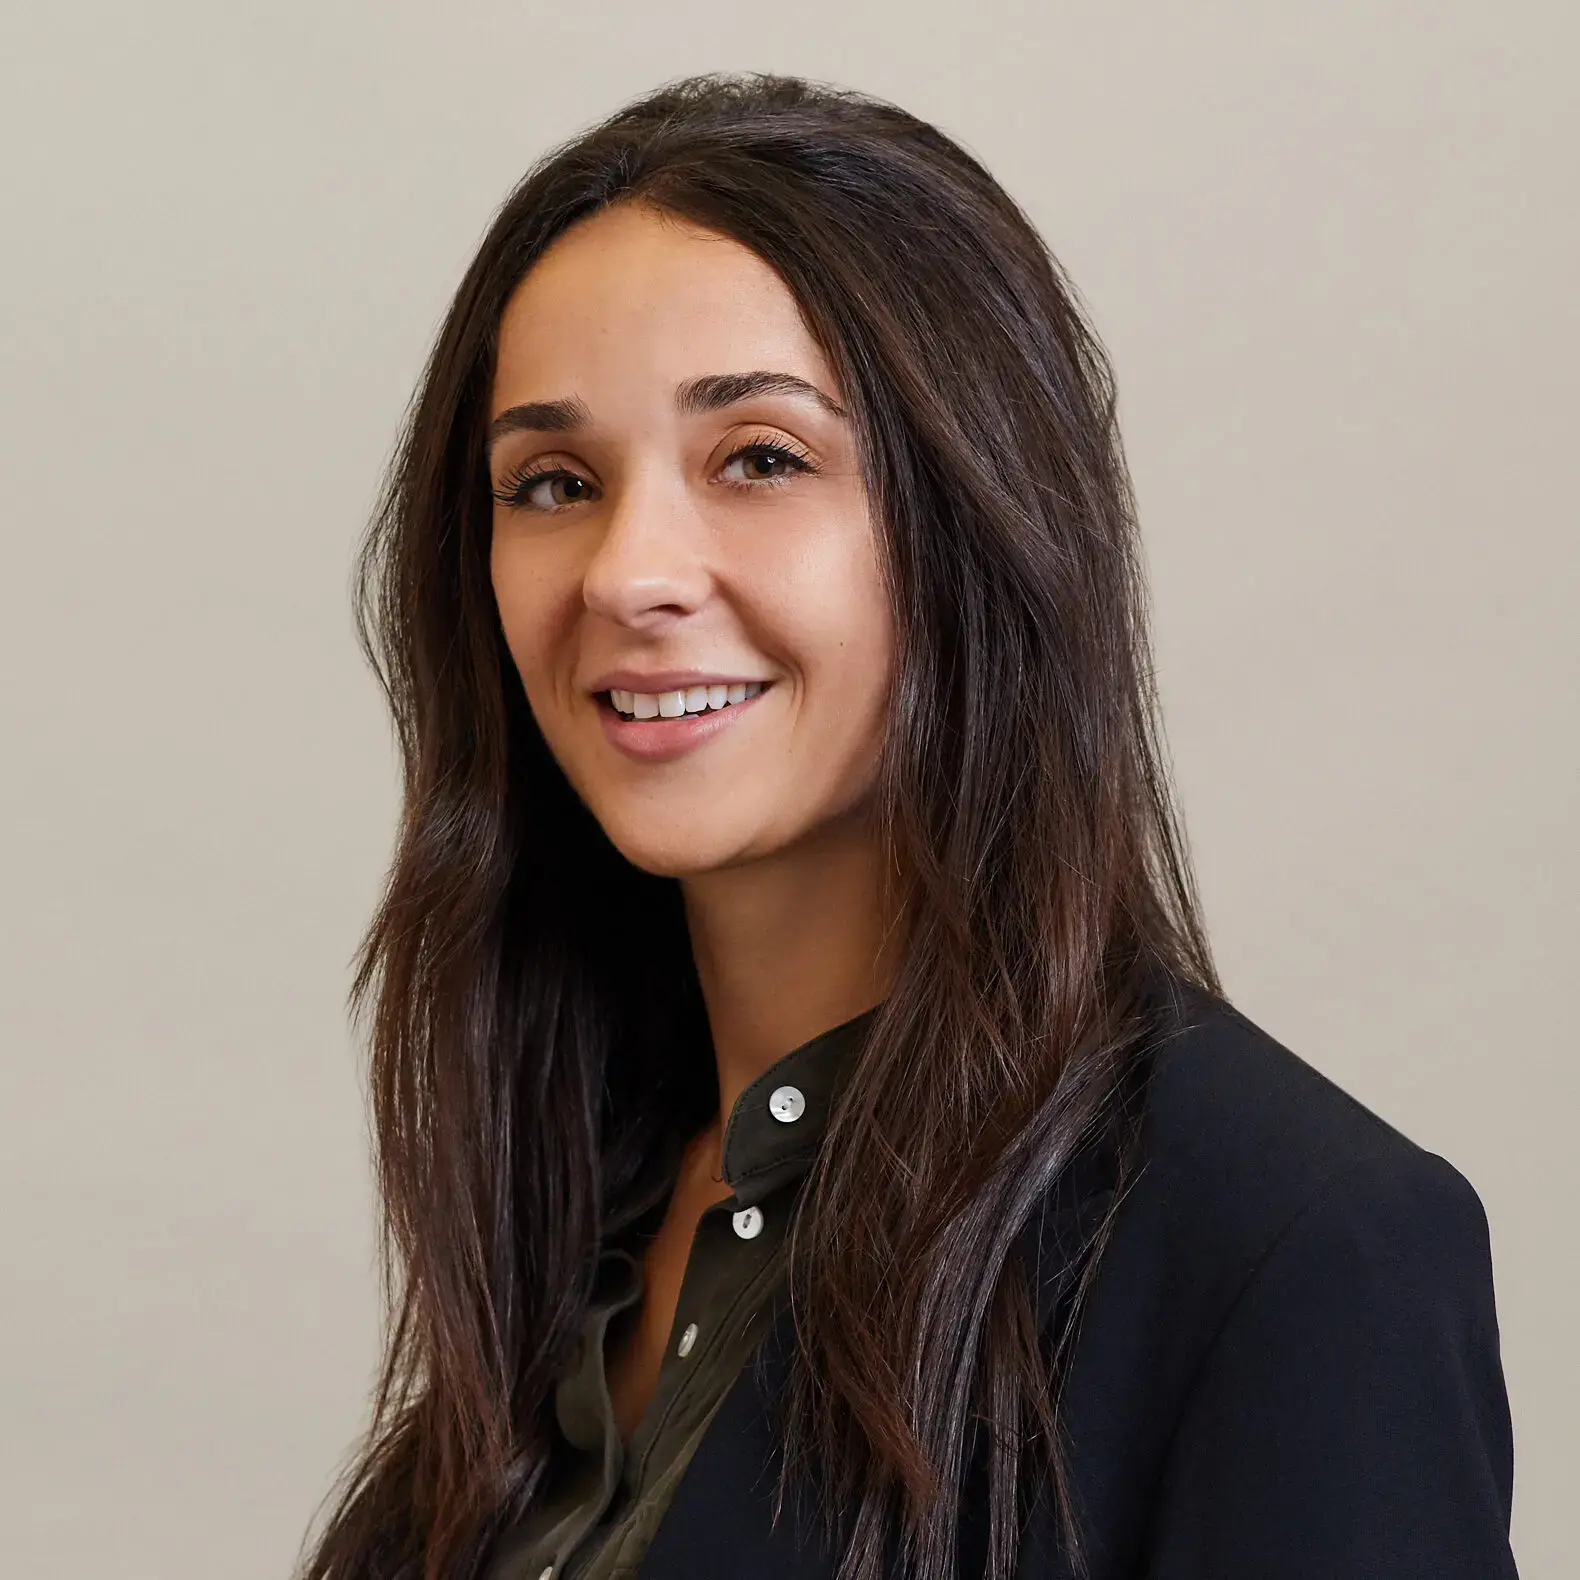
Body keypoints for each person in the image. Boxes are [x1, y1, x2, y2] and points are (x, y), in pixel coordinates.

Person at [299, 72, 1518, 1580]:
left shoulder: (1292, 1250)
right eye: (553, 482)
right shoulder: (581, 1196)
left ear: (979, 513)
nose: (626, 572)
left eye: (759, 457)